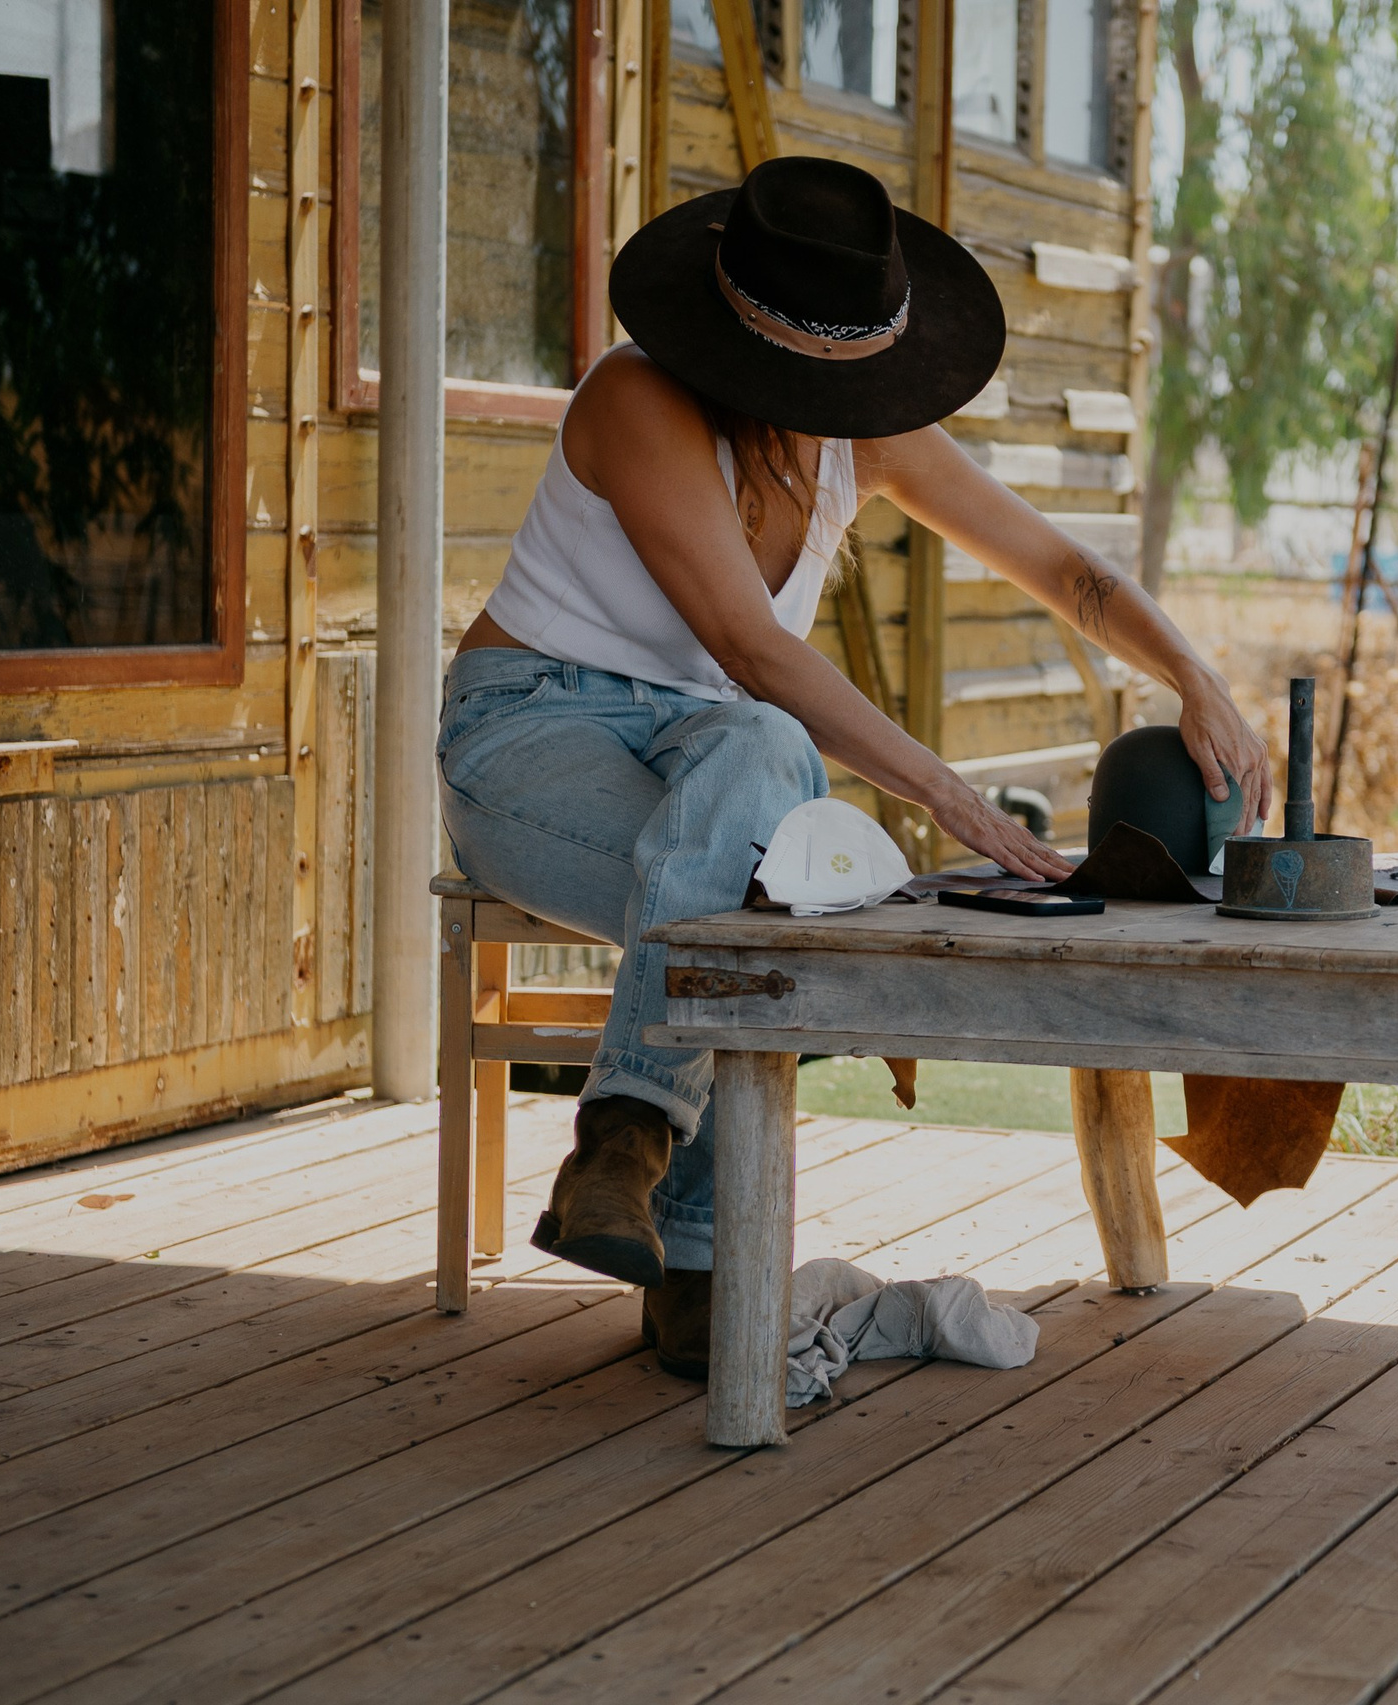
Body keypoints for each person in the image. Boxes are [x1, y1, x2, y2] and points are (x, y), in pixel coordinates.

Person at [437, 155, 1271, 1377]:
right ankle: (647, 1171)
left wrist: (1195, 675)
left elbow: (1062, 571)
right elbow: (751, 647)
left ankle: (662, 1220)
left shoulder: (865, 438)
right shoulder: (634, 400)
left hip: (714, 755)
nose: (836, 400)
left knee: (759, 777)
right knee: (750, 848)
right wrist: (941, 791)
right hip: (531, 732)